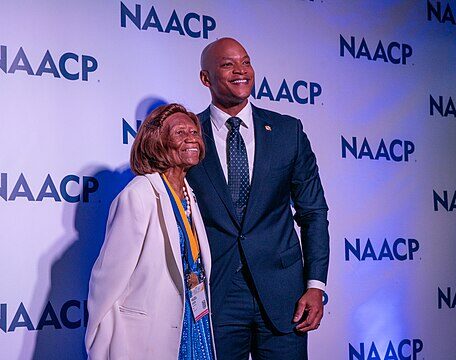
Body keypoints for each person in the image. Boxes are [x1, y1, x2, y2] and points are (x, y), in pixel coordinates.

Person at [186, 38, 330, 360]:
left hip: (284, 295)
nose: (241, 71)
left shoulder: (287, 131)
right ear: (205, 79)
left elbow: (313, 213)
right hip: (216, 295)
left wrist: (316, 285)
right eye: (227, 64)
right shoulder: (189, 134)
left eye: (246, 62)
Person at [85, 104, 215, 360]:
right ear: (158, 142)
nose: (192, 138)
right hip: (148, 334)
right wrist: (100, 343)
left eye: (194, 131)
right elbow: (108, 280)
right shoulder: (138, 195)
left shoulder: (189, 194)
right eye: (180, 132)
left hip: (194, 323)